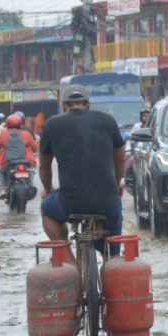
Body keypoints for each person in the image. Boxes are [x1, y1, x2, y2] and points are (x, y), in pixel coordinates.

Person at [39, 84, 127, 265]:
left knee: (46, 209)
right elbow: (120, 159)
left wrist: (48, 189)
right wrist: (115, 183)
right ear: (88, 105)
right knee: (112, 255)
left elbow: (44, 166)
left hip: (70, 202)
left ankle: (70, 262)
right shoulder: (108, 120)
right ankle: (111, 261)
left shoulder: (52, 124)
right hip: (107, 203)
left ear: (64, 106)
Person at [0, 114, 37, 199]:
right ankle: (31, 187)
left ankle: (3, 189)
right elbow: (35, 147)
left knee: (1, 171)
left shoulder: (4, 134)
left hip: (8, 162)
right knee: (30, 170)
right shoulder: (26, 134)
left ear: (7, 123)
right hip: (25, 161)